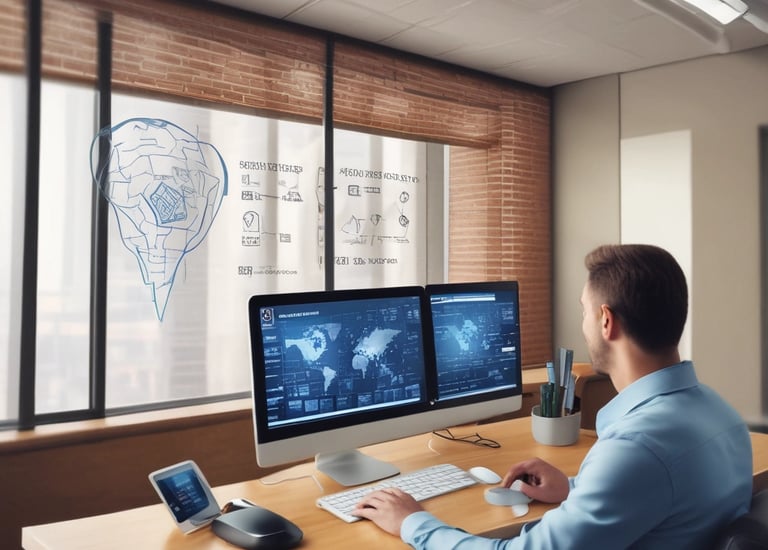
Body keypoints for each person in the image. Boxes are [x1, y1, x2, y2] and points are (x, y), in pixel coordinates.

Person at [353, 244, 753, 549]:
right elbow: (661, 497)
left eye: (583, 311)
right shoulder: (722, 415)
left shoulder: (637, 448)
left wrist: (413, 522)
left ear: (606, 321)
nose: (582, 324)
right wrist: (576, 489)